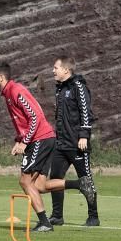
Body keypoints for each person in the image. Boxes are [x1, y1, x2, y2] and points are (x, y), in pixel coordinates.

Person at [0, 62, 95, 232]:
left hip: (40, 139)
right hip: (42, 139)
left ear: (1, 77)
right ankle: (79, 184)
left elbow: (35, 117)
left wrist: (25, 141)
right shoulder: (8, 93)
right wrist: (18, 139)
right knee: (39, 186)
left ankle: (45, 222)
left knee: (25, 181)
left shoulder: (16, 91)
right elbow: (22, 121)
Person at [49, 56, 100, 227]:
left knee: (85, 178)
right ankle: (57, 216)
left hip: (77, 143)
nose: (53, 71)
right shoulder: (59, 89)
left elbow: (85, 110)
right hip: (61, 143)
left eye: (56, 67)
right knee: (55, 177)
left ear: (66, 70)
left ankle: (93, 216)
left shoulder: (78, 86)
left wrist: (84, 135)